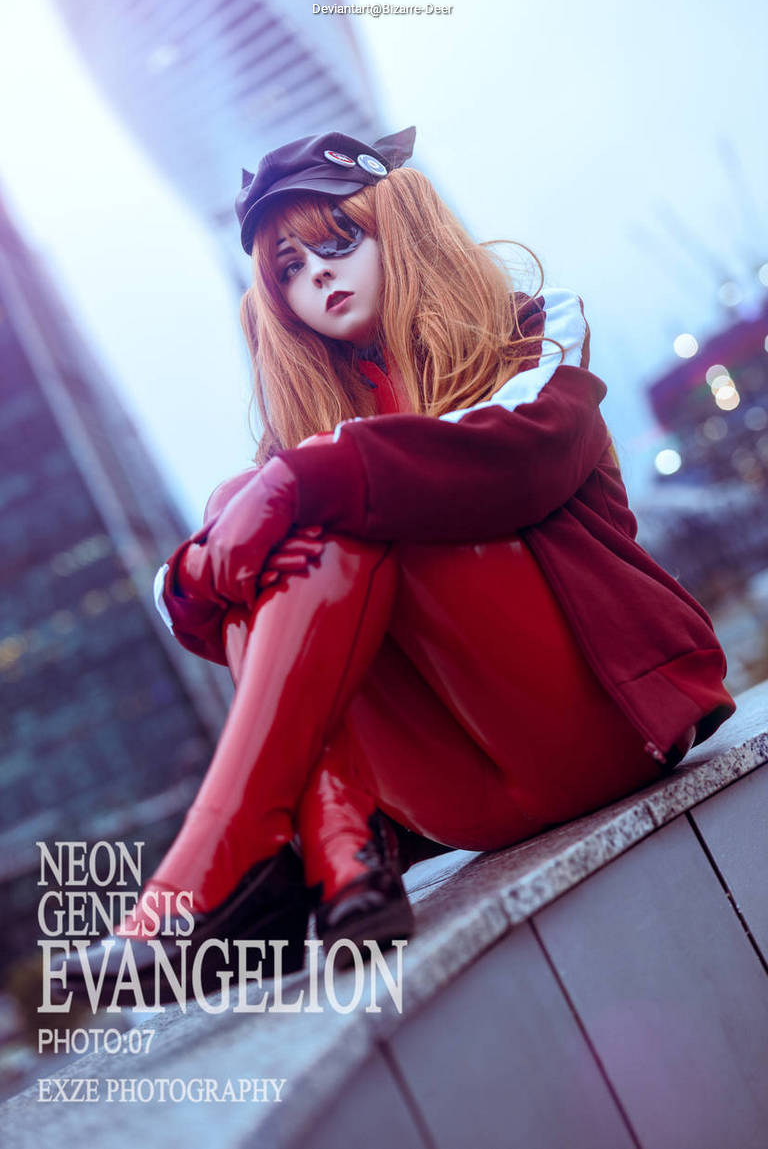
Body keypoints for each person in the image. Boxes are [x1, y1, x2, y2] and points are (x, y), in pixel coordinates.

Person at [65, 126, 735, 995]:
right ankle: (339, 848)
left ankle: (243, 870)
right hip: (458, 798)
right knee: (245, 493)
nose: (320, 278)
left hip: (604, 730)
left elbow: (519, 461)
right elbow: (202, 595)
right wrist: (210, 555)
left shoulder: (536, 330)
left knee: (344, 484)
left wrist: (310, 477)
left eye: (340, 242)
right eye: (291, 270)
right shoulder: (302, 437)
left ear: (399, 224)